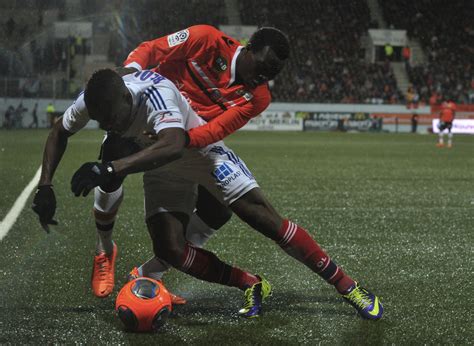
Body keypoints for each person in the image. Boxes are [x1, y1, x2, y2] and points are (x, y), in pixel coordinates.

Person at [32, 68, 383, 320]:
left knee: (263, 219)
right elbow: (58, 132)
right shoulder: (92, 102)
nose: (109, 125)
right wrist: (45, 185)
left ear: (127, 96)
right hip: (157, 166)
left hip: (202, 156)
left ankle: (347, 286)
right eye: (102, 121)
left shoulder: (155, 92)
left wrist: (112, 168)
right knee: (169, 248)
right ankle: (252, 283)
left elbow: (172, 144)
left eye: (113, 117)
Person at [80, 25, 290, 299]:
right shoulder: (205, 39)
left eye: (272, 72)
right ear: (247, 49)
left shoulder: (258, 95)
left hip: (182, 139)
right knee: (111, 167)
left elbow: (216, 130)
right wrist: (131, 71)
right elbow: (151, 49)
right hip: (145, 117)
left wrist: (177, 138)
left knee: (219, 210)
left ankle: (151, 273)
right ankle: (104, 250)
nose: (264, 76)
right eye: (263, 66)